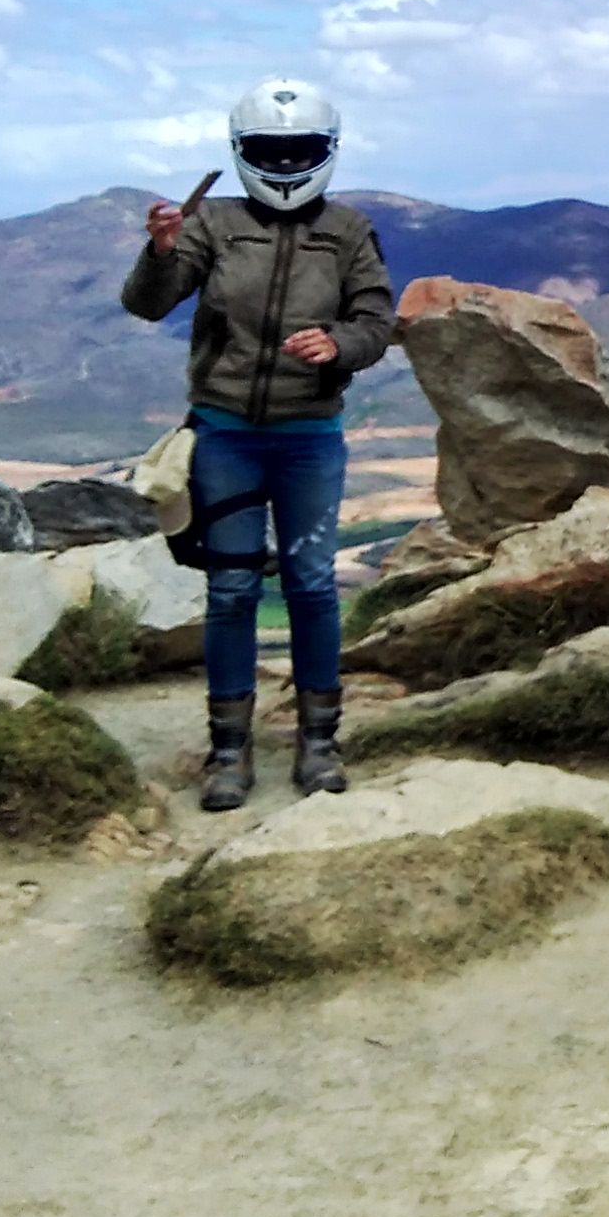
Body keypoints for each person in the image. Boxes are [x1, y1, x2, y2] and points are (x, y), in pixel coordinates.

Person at [121, 77, 394, 811]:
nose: (283, 165)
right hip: (225, 435)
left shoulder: (348, 230)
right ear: (242, 153)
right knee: (233, 589)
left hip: (309, 438)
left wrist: (336, 344)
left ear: (327, 152)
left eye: (299, 151)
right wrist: (161, 250)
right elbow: (146, 305)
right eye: (269, 152)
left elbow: (376, 323)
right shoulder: (210, 223)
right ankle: (228, 754)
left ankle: (319, 745)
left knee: (309, 585)